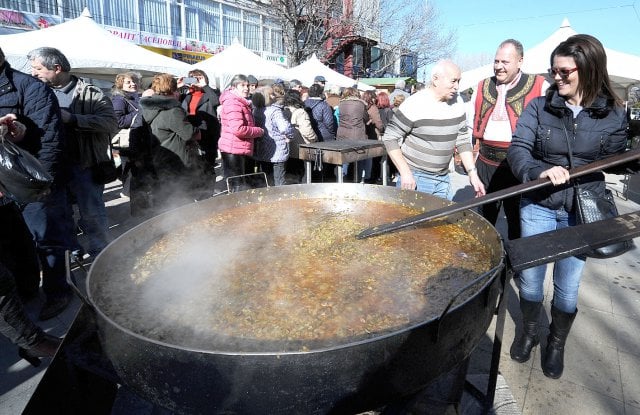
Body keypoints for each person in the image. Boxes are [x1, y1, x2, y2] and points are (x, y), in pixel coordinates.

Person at [507, 34, 629, 379]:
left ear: (588, 70)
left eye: (564, 72)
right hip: (539, 204)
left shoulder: (613, 114)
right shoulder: (538, 106)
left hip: (582, 210)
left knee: (568, 286)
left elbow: (617, 162)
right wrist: (538, 171)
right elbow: (518, 149)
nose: (556, 78)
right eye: (553, 71)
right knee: (530, 281)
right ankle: (529, 331)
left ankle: (556, 341)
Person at [1, 48, 76, 320]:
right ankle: (28, 291)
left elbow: (51, 141)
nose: (35, 70)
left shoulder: (29, 87)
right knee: (16, 243)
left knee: (48, 239)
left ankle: (59, 292)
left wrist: (43, 184)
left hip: (34, 181)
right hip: (3, 185)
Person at [28, 47, 118, 261]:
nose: (33, 73)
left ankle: (101, 254)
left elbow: (110, 123)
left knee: (92, 214)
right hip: (51, 168)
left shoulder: (90, 93)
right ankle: (72, 253)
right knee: (60, 215)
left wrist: (74, 119)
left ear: (57, 68)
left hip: (84, 166)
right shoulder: (36, 92)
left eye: (38, 68)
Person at [470, 39, 548, 241]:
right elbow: (470, 124)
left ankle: (515, 265)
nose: (498, 67)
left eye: (505, 62)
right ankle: (486, 265)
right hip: (485, 163)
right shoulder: (482, 86)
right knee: (484, 219)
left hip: (519, 163)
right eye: (496, 61)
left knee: (518, 219)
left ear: (520, 61)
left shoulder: (540, 86)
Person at [381, 60, 485, 200]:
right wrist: (405, 173)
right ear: (435, 79)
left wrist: (473, 174)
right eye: (453, 81)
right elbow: (390, 137)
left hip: (443, 179)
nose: (457, 86)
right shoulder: (415, 103)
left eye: (459, 81)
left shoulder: (458, 103)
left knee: (441, 222)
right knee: (415, 222)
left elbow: (462, 140)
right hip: (415, 178)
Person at [138, 73, 202, 212]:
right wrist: (198, 130)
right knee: (181, 195)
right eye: (177, 90)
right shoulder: (172, 110)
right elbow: (188, 133)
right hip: (177, 159)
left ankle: (169, 221)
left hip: (160, 156)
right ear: (173, 91)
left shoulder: (149, 108)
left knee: (168, 194)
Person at [218, 74, 264, 191]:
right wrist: (259, 131)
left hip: (239, 148)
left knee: (241, 185)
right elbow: (238, 129)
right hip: (233, 150)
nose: (246, 88)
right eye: (242, 85)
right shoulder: (233, 102)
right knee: (237, 187)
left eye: (247, 85)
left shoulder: (241, 102)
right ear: (234, 87)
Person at [180, 69, 221, 177]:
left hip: (207, 133)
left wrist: (205, 86)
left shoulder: (211, 92)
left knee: (207, 166)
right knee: (193, 166)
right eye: (193, 78)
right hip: (190, 133)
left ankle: (208, 190)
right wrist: (178, 86)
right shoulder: (186, 94)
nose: (196, 80)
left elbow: (215, 101)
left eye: (199, 77)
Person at [253, 83, 294, 186]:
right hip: (277, 150)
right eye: (271, 94)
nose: (274, 96)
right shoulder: (275, 111)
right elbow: (285, 127)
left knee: (268, 180)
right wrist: (290, 135)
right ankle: (280, 201)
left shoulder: (255, 111)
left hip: (262, 149)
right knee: (279, 180)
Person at [110, 71, 141, 190]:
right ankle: (127, 191)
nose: (133, 84)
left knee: (131, 171)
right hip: (121, 146)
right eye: (128, 82)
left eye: (134, 81)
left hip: (132, 142)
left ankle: (129, 191)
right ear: (120, 85)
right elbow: (118, 121)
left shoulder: (137, 97)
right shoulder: (119, 99)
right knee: (122, 170)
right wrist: (137, 114)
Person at [284, 89, 318, 183]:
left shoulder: (283, 111)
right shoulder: (300, 112)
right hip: (301, 147)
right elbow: (307, 131)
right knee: (303, 174)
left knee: (291, 174)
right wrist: (315, 138)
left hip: (288, 147)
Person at [336, 87, 369, 181]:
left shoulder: (341, 103)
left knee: (344, 158)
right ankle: (358, 179)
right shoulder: (361, 104)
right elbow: (366, 118)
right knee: (359, 158)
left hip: (342, 133)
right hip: (356, 134)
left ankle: (342, 178)